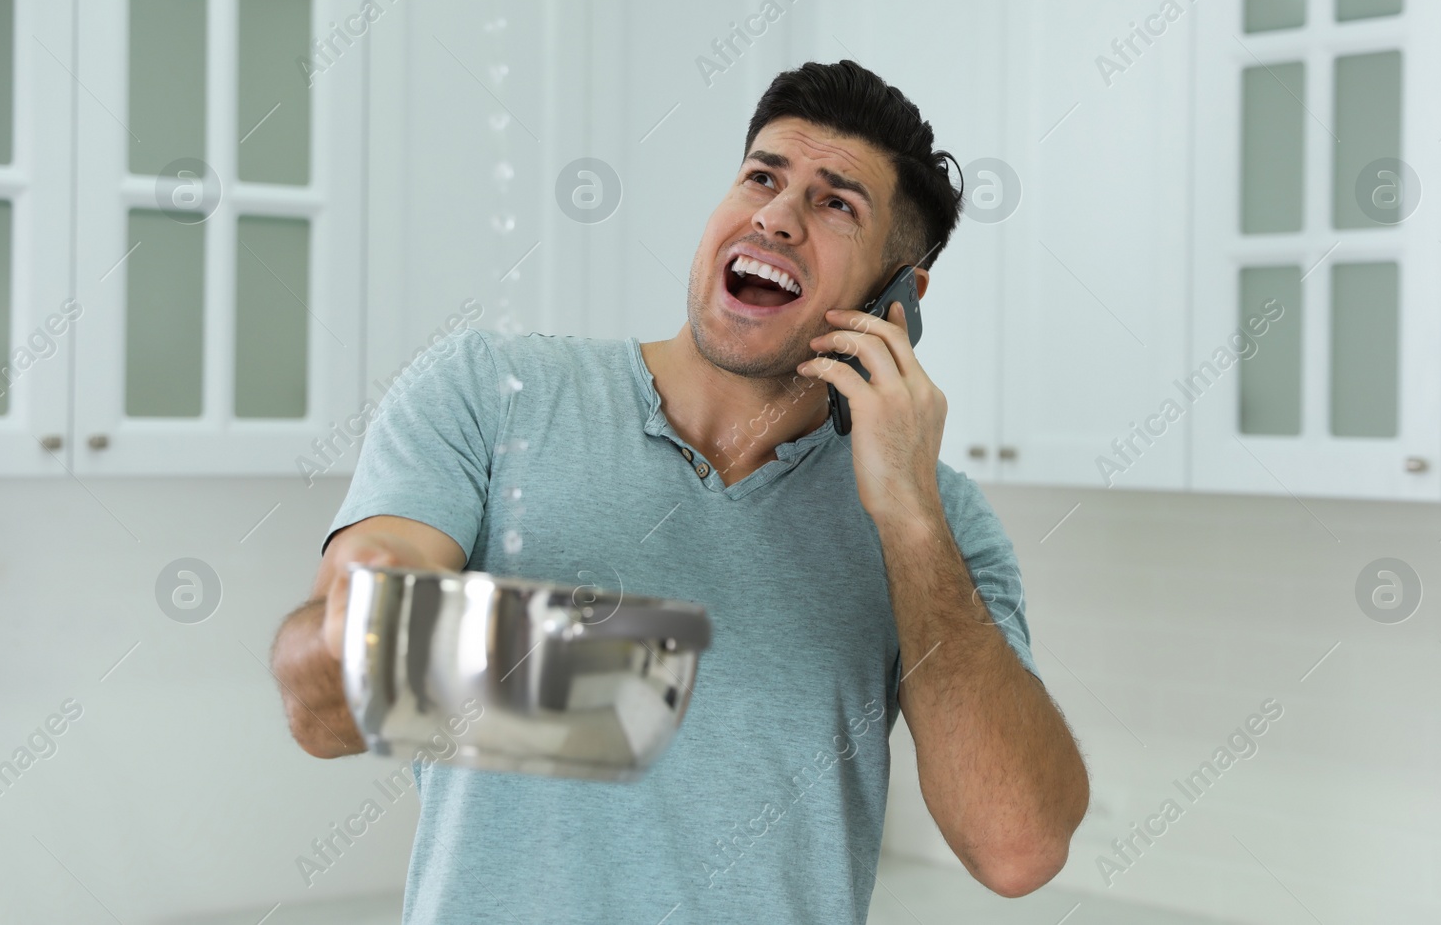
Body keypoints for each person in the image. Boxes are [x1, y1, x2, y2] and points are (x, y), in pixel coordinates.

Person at [270, 59, 1089, 924]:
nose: (776, 216)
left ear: (898, 300)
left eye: (835, 202)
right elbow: (322, 710)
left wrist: (910, 521)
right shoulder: (491, 393)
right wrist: (373, 611)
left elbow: (1017, 847)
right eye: (763, 176)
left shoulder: (938, 521)